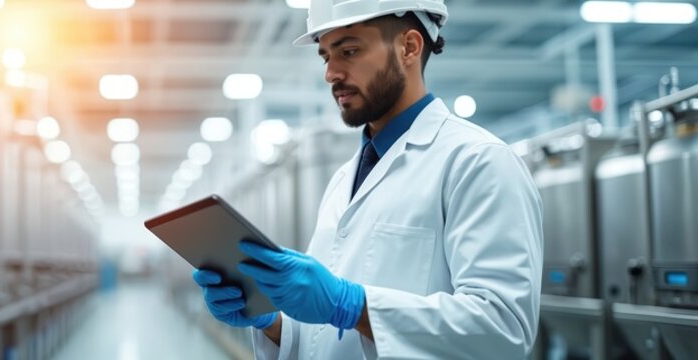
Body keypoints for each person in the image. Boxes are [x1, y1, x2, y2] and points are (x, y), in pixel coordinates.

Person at [190, 0, 544, 358]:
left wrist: (352, 305)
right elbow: (322, 337)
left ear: (409, 47)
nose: (331, 73)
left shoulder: (478, 161)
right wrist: (269, 320)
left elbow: (503, 331)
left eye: (350, 51)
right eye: (326, 56)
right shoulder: (342, 180)